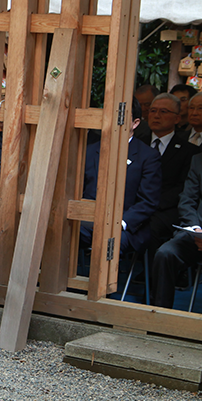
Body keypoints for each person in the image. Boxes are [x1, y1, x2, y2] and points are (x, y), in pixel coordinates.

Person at [80, 97, 161, 257]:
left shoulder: (148, 156)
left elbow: (148, 201)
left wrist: (120, 223)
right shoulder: (89, 151)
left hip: (127, 227)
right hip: (87, 222)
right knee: (58, 233)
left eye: (120, 116)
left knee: (108, 243)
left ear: (135, 123)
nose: (113, 120)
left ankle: (104, 283)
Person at [138, 93, 199, 251]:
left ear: (177, 118)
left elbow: (182, 187)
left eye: (163, 112)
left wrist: (152, 204)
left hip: (166, 209)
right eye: (153, 111)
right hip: (136, 204)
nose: (156, 116)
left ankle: (151, 274)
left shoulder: (189, 151)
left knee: (150, 227)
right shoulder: (137, 144)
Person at [151, 151, 202, 308]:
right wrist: (196, 228)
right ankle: (160, 314)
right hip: (197, 233)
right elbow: (187, 200)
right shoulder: (198, 159)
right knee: (166, 253)